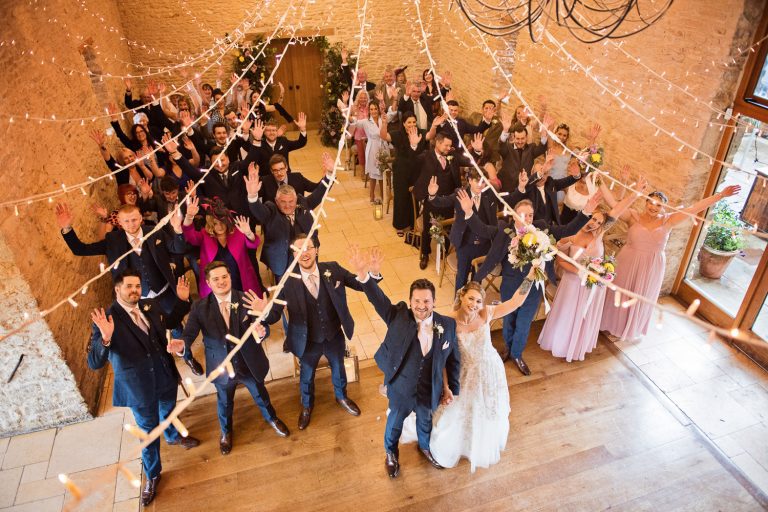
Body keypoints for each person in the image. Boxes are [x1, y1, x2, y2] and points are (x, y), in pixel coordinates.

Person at [88, 270, 199, 507]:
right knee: (148, 434)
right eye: (129, 286)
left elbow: (169, 322)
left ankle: (171, 435)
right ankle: (153, 475)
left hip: (165, 375)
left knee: (168, 413)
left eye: (137, 286)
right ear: (117, 289)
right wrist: (105, 339)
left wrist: (181, 302)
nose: (134, 290)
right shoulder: (107, 319)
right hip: (138, 388)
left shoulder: (149, 305)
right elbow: (94, 362)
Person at [401, 276, 534, 471]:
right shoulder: (448, 323)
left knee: (486, 408)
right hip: (464, 375)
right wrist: (446, 387)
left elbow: (516, 302)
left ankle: (478, 443)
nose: (474, 305)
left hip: (489, 371)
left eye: (479, 301)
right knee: (459, 411)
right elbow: (444, 359)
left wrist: (531, 275)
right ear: (462, 297)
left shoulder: (487, 313)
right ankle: (448, 444)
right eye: (471, 299)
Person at [351, 247, 460, 479]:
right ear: (410, 301)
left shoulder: (448, 325)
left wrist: (452, 389)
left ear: (434, 301)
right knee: (394, 423)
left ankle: (425, 447)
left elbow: (452, 360)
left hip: (429, 387)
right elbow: (378, 301)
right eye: (417, 301)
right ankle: (390, 453)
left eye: (426, 301)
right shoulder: (399, 315)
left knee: (425, 420)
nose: (422, 306)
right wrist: (365, 276)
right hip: (401, 386)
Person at [467, 190, 603, 376]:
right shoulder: (504, 230)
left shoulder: (541, 228)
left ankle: (516, 354)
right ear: (514, 215)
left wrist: (586, 211)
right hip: (510, 283)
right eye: (523, 214)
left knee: (524, 322)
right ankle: (507, 349)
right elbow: (483, 235)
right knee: (509, 319)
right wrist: (475, 281)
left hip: (533, 285)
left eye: (530, 215)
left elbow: (567, 230)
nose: (527, 219)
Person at [175, 261, 290, 456]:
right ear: (208, 283)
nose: (221, 282)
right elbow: (189, 335)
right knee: (224, 403)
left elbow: (263, 327)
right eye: (216, 279)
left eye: (224, 277)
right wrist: (182, 346)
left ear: (230, 277)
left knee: (261, 394)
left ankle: (272, 418)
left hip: (248, 362)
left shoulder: (246, 298)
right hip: (220, 366)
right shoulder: (199, 307)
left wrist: (261, 332)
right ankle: (226, 433)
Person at [601, 184, 741, 341]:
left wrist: (720, 195)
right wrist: (598, 180)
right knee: (621, 291)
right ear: (645, 202)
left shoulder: (669, 220)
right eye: (650, 202)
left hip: (651, 266)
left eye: (659, 204)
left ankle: (629, 328)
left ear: (664, 207)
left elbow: (695, 208)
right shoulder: (633, 216)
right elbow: (613, 204)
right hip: (628, 260)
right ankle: (611, 323)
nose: (653, 207)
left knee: (640, 296)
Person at [257, 234, 367, 430]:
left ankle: (342, 397)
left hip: (333, 334)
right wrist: (263, 313)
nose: (304, 253)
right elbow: (274, 313)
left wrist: (366, 273)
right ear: (293, 255)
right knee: (306, 377)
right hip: (307, 341)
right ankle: (307, 406)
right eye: (298, 250)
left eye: (308, 247)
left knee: (339, 369)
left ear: (316, 249)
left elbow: (359, 284)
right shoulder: (287, 281)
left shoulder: (332, 269)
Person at [538, 177, 647, 361]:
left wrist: (635, 193)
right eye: (593, 219)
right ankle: (562, 345)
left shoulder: (599, 234)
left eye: (598, 222)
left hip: (592, 285)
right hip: (572, 283)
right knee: (568, 314)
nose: (594, 224)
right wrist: (578, 272)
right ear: (587, 216)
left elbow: (618, 210)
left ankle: (578, 346)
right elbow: (560, 261)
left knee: (583, 316)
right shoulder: (571, 234)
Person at [245, 153, 336, 280]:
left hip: (306, 255)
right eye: (283, 202)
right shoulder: (271, 209)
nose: (287, 206)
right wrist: (252, 196)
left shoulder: (303, 203)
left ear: (296, 199)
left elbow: (319, 193)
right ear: (276, 201)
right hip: (282, 261)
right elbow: (259, 212)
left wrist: (330, 174)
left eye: (291, 202)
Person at [413, 132, 484, 270]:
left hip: (449, 200)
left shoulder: (453, 155)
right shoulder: (427, 156)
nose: (448, 148)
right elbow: (412, 159)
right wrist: (414, 145)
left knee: (448, 227)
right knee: (428, 229)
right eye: (446, 145)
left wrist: (476, 150)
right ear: (438, 143)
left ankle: (445, 251)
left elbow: (469, 161)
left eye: (450, 145)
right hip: (432, 199)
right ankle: (425, 254)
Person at [427, 168, 502, 291]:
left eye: (483, 182)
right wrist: (432, 195)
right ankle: (458, 304)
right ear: (470, 180)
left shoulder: (490, 194)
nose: (480, 185)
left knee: (477, 278)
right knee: (461, 277)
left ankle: (474, 304)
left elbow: (493, 219)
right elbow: (442, 202)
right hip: (465, 244)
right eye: (477, 181)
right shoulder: (460, 193)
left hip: (484, 245)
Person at [182, 196, 264, 298]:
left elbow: (254, 244)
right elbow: (190, 236)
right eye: (215, 224)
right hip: (217, 285)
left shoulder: (238, 232)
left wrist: (248, 233)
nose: (220, 227)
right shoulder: (205, 235)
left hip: (241, 281)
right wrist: (189, 216)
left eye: (222, 223)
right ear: (211, 224)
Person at [380, 113, 428, 236]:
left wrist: (434, 127)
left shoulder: (420, 133)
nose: (412, 124)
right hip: (401, 170)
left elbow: (430, 136)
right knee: (401, 197)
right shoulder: (398, 134)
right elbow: (384, 136)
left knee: (413, 197)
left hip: (415, 170)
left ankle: (413, 224)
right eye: (409, 122)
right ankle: (400, 226)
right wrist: (384, 124)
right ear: (404, 124)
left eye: (413, 122)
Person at [351, 99, 388, 203]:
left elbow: (392, 115)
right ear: (369, 111)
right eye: (371, 109)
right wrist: (346, 109)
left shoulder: (382, 119)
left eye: (375, 109)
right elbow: (354, 122)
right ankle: (372, 194)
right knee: (373, 174)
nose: (374, 111)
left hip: (383, 147)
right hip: (372, 148)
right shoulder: (365, 122)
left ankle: (382, 195)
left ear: (378, 109)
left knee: (382, 173)